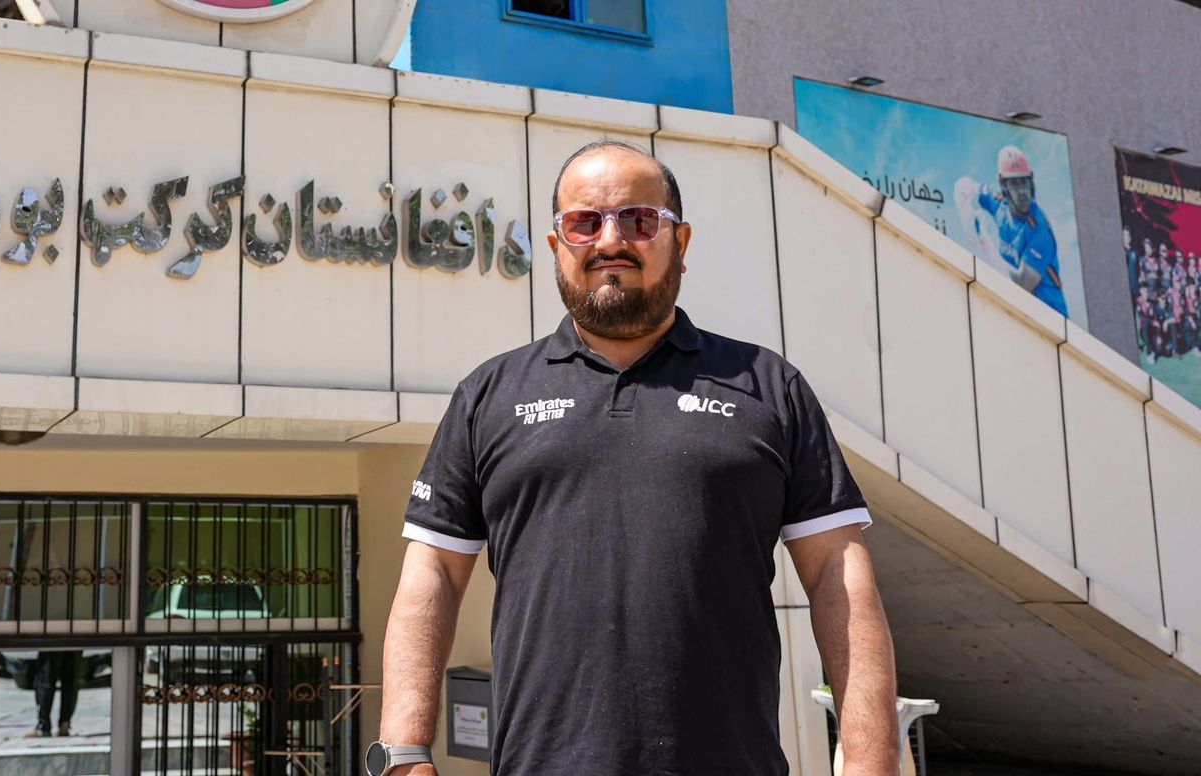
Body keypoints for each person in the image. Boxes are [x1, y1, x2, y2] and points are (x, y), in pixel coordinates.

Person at [372, 141, 899, 775]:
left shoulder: (769, 386)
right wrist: (404, 754)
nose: (610, 241)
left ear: (681, 241)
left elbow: (838, 573)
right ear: (556, 246)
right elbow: (432, 570)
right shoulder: (489, 395)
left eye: (640, 220)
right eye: (584, 223)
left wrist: (871, 762)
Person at [955, 146, 1067, 317]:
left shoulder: (1040, 232)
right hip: (1017, 311)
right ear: (1003, 185)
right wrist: (967, 216)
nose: (1022, 192)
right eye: (1014, 184)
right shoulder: (999, 203)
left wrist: (986, 245)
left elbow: (1022, 285)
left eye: (1024, 182)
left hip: (1050, 319)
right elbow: (964, 185)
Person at [27, 650, 81, 738]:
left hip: (50, 645)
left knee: (46, 679)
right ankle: (64, 723)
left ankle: (43, 726)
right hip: (74, 643)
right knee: (69, 679)